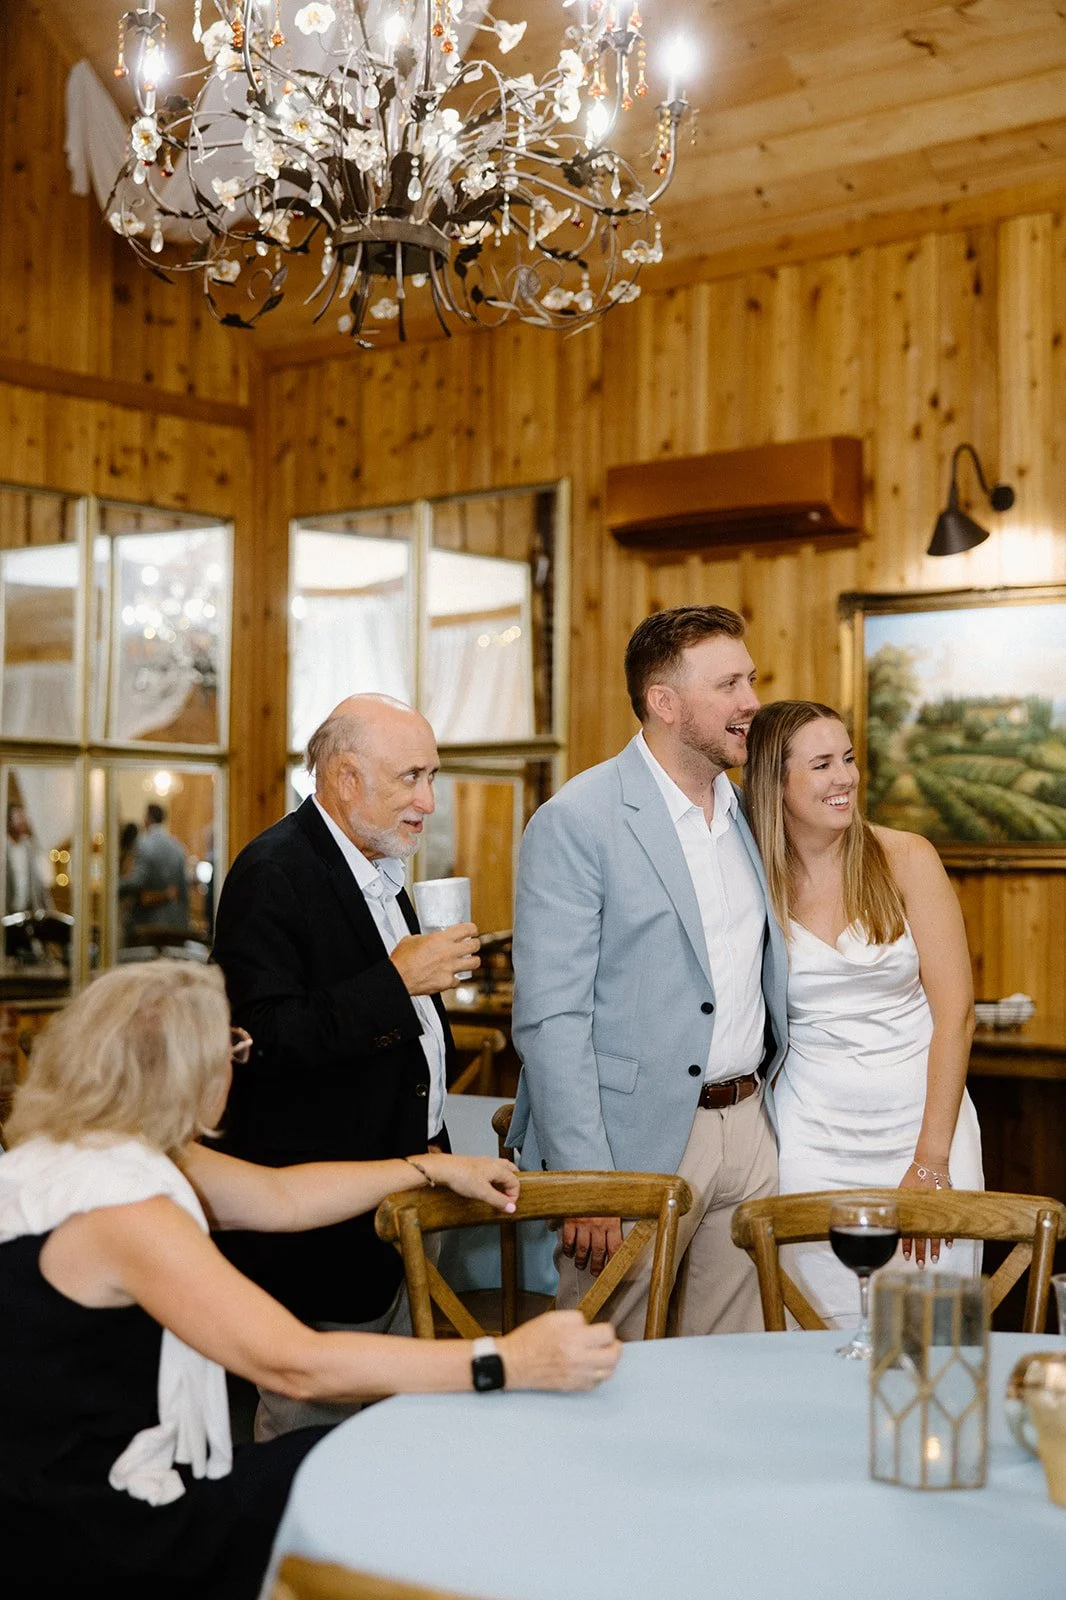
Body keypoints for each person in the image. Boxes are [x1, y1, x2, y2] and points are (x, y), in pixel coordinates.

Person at [0, 961, 620, 1599]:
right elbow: (297, 1365)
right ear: (191, 1072)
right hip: (93, 1528)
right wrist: (507, 1361)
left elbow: (280, 1197)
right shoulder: (127, 1212)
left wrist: (425, 1169)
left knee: (362, 1460)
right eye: (232, 1047)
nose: (237, 1065)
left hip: (39, 1486)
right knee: (396, 1471)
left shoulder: (74, 1152)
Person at [507, 605, 789, 1339]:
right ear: (664, 702)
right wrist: (588, 1180)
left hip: (749, 1129)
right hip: (632, 1144)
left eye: (749, 680)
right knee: (611, 1363)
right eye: (728, 684)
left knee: (731, 1375)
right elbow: (550, 1017)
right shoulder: (578, 819)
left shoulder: (746, 811)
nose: (750, 702)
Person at [212, 693, 482, 1436]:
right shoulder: (275, 871)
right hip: (317, 1224)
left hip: (404, 1200)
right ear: (344, 778)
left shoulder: (382, 868)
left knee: (395, 1432)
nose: (429, 802)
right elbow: (257, 1040)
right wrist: (398, 981)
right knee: (311, 1436)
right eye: (411, 778)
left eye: (433, 776)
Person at [744, 699, 984, 1326]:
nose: (845, 777)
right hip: (811, 1142)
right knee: (818, 1335)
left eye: (848, 758)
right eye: (822, 764)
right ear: (775, 782)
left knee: (930, 1338)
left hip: (925, 1128)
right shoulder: (750, 876)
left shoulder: (905, 857)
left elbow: (957, 1012)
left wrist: (931, 1159)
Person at [119, 803, 189, 940]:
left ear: (147, 819)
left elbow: (137, 881)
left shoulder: (144, 844)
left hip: (148, 922)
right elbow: (183, 892)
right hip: (174, 923)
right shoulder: (178, 847)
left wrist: (113, 886)